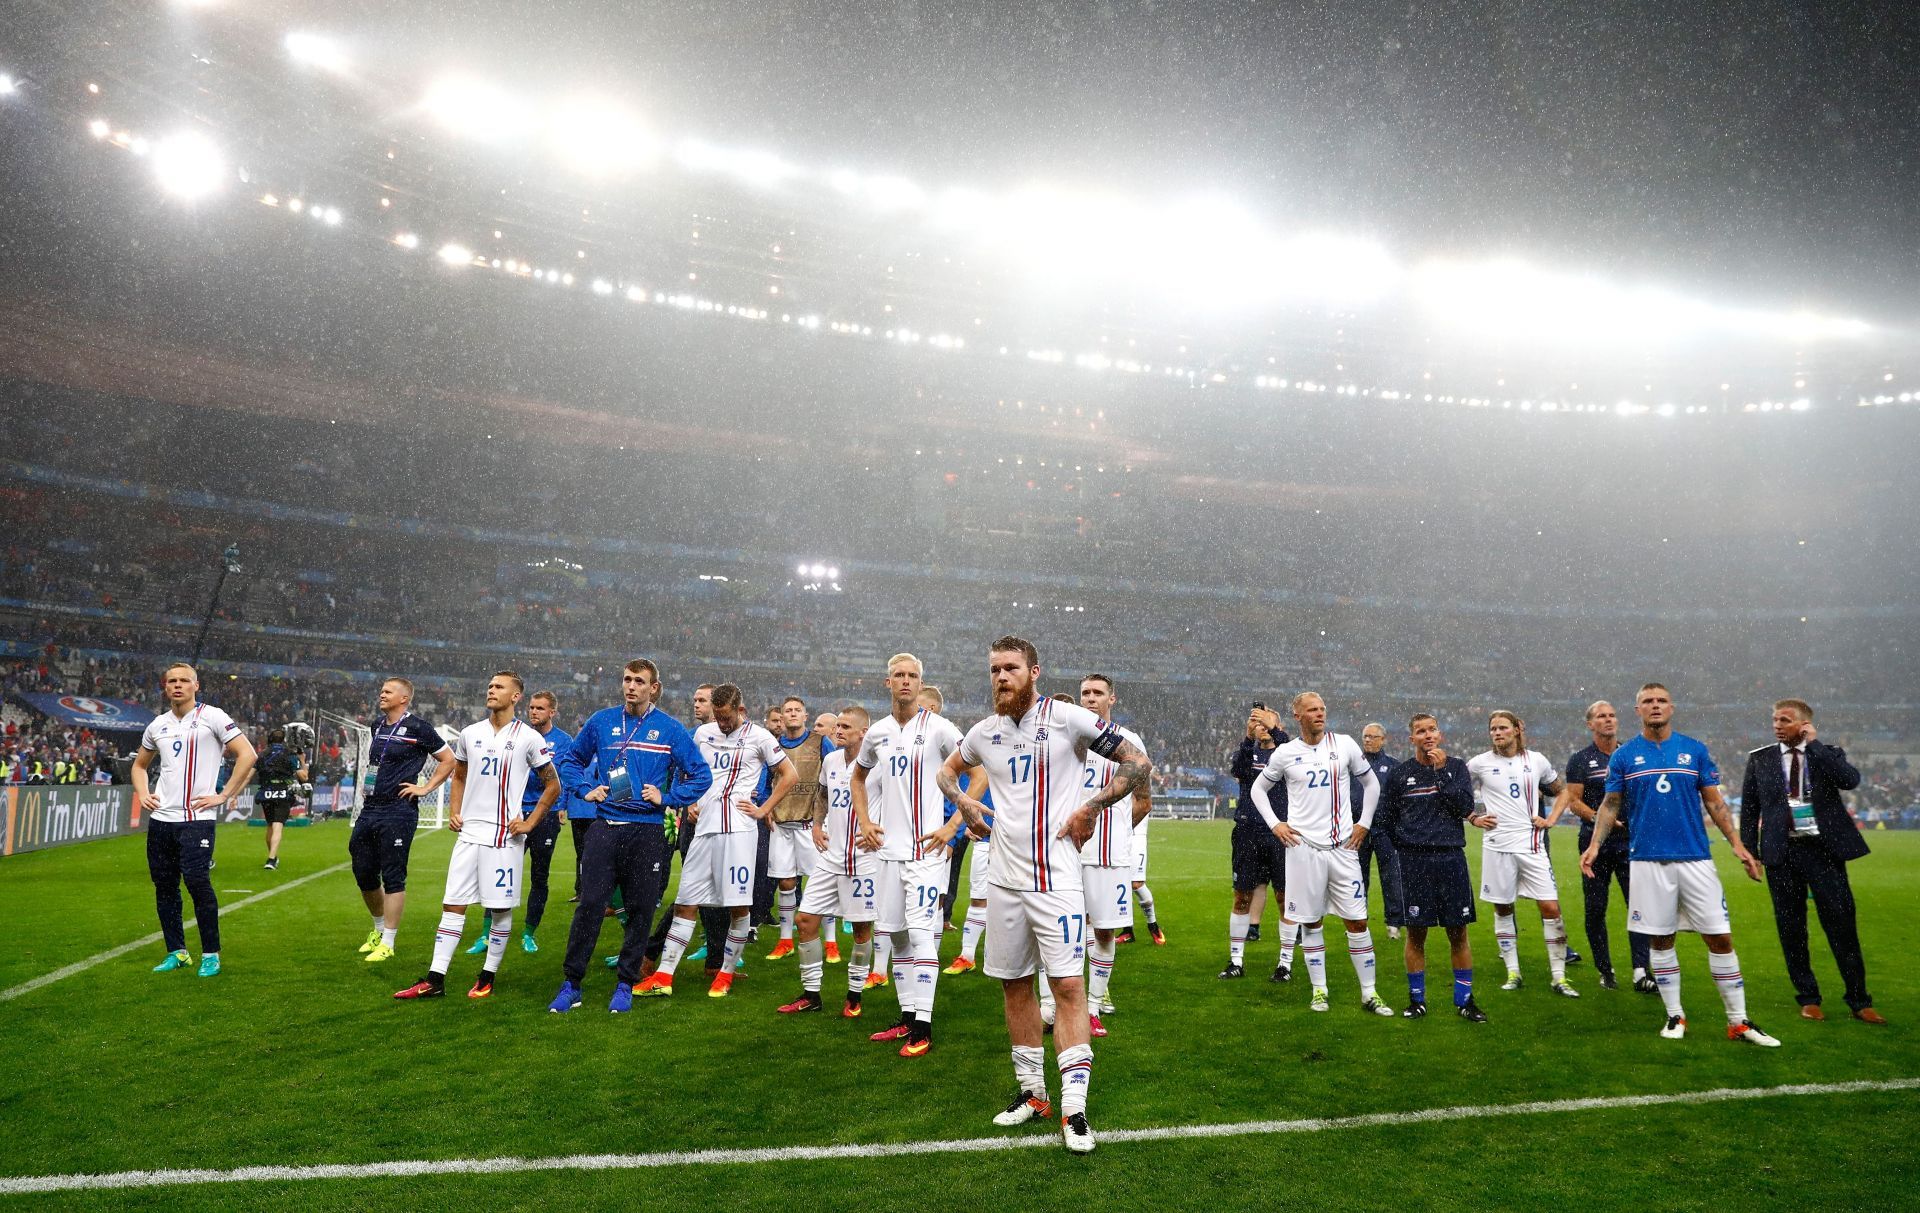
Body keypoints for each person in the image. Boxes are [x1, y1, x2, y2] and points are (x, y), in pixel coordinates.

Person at [939, 635, 1152, 1155]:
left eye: (1010, 668)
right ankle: (1032, 1094)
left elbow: (1137, 762)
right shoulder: (983, 733)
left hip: (1056, 879)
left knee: (1067, 989)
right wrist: (965, 801)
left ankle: (1074, 1109)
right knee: (1014, 987)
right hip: (1004, 882)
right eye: (994, 669)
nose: (1001, 677)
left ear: (1035, 672)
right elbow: (947, 773)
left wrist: (1091, 807)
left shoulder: (1067, 719)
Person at [1580, 683, 1779, 1046]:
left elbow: (1715, 804)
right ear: (1637, 710)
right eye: (1647, 702)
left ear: (1671, 707)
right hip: (1646, 860)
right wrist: (1595, 845)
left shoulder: (1694, 750)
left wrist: (1738, 845)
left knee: (1720, 937)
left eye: (1660, 701)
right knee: (1661, 937)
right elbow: (1610, 805)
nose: (1654, 706)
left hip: (1696, 859)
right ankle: (1675, 1015)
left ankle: (1738, 1021)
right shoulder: (1624, 757)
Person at [549, 659, 712, 1014]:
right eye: (627, 679)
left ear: (654, 687)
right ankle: (571, 984)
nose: (631, 686)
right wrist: (586, 789)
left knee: (640, 910)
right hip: (605, 828)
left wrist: (669, 798)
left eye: (639, 681)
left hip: (649, 832)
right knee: (591, 905)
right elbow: (571, 762)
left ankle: (626, 982)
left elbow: (701, 775)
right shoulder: (602, 721)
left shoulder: (669, 729)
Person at [394, 671, 560, 1001]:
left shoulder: (529, 738)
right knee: (452, 905)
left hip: (504, 839)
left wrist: (529, 824)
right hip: (470, 834)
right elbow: (459, 775)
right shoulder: (470, 734)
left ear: (516, 697)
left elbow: (553, 785)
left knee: (499, 910)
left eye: (499, 687)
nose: (491, 690)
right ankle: (435, 979)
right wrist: (455, 810)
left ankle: (487, 977)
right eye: (490, 686)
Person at [639, 683, 795, 998]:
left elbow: (789, 774)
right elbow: (688, 772)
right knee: (685, 902)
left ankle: (725, 972)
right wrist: (689, 800)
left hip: (738, 831)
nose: (722, 724)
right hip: (704, 829)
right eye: (718, 717)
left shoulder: (761, 737)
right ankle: (664, 976)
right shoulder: (703, 734)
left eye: (727, 718)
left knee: (737, 907)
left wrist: (764, 808)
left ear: (741, 711)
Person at [1247, 691, 1391, 1016]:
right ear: (1297, 715)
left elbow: (1372, 785)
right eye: (1312, 710)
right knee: (1311, 923)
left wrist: (1364, 823)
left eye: (1322, 709)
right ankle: (1319, 991)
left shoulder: (1345, 745)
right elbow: (1258, 789)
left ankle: (1369, 993)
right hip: (1303, 850)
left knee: (1358, 922)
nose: (1319, 714)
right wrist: (1275, 824)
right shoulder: (1285, 753)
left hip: (1343, 848)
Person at [1739, 699, 1882, 1024]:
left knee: (1842, 925)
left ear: (1803, 725)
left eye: (1785, 720)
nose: (1777, 725)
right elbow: (1750, 809)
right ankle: (1808, 997)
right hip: (1782, 853)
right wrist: (1750, 851)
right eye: (1775, 720)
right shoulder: (1760, 759)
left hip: (1824, 852)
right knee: (1792, 929)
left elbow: (1850, 780)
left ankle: (1859, 999)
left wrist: (1813, 744)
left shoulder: (1826, 754)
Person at [851, 653, 965, 1057]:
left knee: (920, 935)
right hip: (888, 852)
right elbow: (859, 776)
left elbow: (979, 768)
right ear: (888, 683)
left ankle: (924, 1027)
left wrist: (955, 825)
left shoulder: (939, 729)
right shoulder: (878, 733)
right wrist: (865, 821)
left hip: (926, 852)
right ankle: (906, 1016)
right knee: (895, 935)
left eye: (912, 676)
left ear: (921, 683)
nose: (905, 681)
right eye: (898, 675)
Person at [131, 663, 257, 977]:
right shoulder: (157, 724)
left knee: (198, 884)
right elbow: (139, 766)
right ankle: (177, 951)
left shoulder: (213, 716)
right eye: (171, 680)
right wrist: (143, 793)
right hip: (162, 820)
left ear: (195, 686)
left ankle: (211, 954)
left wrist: (224, 794)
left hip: (196, 818)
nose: (177, 685)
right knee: (164, 887)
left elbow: (248, 754)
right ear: (165, 686)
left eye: (184, 681)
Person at [1376, 714, 1486, 1021]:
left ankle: (1464, 1001)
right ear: (1411, 739)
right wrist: (1402, 848)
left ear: (1440, 735)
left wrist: (1441, 774)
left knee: (1458, 932)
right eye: (1420, 731)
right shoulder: (1400, 775)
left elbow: (1464, 806)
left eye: (1432, 730)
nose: (1427, 735)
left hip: (1451, 858)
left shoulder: (1456, 767)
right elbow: (1383, 821)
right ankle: (1417, 1000)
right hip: (1415, 862)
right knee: (1416, 934)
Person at [778, 705, 881, 1016]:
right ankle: (811, 994)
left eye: (846, 728)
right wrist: (818, 824)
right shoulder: (832, 760)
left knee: (862, 929)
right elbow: (822, 795)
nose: (838, 732)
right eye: (837, 727)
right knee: (805, 920)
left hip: (865, 858)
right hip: (831, 855)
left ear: (863, 732)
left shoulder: (879, 765)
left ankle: (854, 995)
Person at [1467, 711, 1577, 997]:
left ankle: (1559, 977)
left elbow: (1562, 792)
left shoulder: (1536, 760)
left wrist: (1551, 819)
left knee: (1551, 909)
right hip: (1497, 847)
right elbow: (1453, 790)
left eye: (1503, 727)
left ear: (1517, 730)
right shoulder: (1479, 763)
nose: (1497, 733)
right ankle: (1513, 971)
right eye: (1493, 729)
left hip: (1532, 846)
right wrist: (1473, 817)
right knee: (1503, 908)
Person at [350, 678, 456, 964]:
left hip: (399, 809)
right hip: (371, 807)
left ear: (404, 698)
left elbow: (448, 759)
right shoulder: (377, 726)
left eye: (387, 691)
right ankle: (378, 928)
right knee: (363, 870)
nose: (381, 694)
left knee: (393, 875)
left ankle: (389, 942)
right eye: (381, 690)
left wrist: (425, 788)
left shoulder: (419, 728)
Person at [1069, 673, 1152, 1034]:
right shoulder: (1066, 737)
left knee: (1103, 931)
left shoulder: (1131, 742)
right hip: (1068, 852)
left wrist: (1115, 829)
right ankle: (1055, 1006)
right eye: (1085, 693)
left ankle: (1093, 1006)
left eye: (1097, 693)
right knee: (1064, 931)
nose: (1090, 698)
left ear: (1111, 699)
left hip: (1111, 856)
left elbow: (1144, 801)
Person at [1552, 701, 1652, 992]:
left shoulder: (1633, 754)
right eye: (1601, 716)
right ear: (1590, 724)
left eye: (1611, 715)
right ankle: (1605, 970)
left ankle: (1640, 970)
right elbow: (1573, 800)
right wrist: (1600, 820)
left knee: (1639, 907)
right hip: (1594, 844)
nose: (1608, 720)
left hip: (1632, 843)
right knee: (1596, 908)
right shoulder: (1581, 759)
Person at [469, 690, 573, 954]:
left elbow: (564, 779)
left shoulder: (563, 741)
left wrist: (561, 807)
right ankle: (486, 934)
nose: (534, 712)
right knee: (497, 872)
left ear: (552, 712)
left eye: (540, 708)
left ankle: (529, 933)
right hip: (512, 815)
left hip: (544, 816)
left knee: (540, 875)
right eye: (532, 707)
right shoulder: (517, 736)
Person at [1223, 705, 1288, 978]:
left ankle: (1285, 964)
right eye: (1255, 721)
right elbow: (1237, 769)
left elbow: (1288, 750)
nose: (1260, 725)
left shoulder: (1287, 752)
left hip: (1281, 833)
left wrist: (1274, 728)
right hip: (1248, 831)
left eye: (1265, 721)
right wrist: (1248, 737)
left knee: (1285, 898)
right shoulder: (1249, 752)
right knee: (1242, 896)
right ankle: (1236, 962)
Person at [766, 695, 832, 960]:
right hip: (781, 823)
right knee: (785, 881)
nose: (792, 714)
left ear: (805, 716)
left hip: (810, 824)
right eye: (788, 711)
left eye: (797, 710)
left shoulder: (820, 742)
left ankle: (831, 941)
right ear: (781, 718)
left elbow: (833, 777)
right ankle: (785, 940)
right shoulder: (772, 745)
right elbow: (764, 778)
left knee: (820, 882)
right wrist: (765, 805)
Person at [1355, 723, 1405, 940]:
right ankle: (1359, 918)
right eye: (1365, 736)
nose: (1368, 740)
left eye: (1373, 737)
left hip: (1386, 830)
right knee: (1357, 877)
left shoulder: (1394, 766)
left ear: (1383, 739)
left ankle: (1394, 922)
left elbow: (1402, 800)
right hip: (1358, 830)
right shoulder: (1353, 764)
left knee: (1391, 877)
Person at [253, 726, 308, 871]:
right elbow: (304, 777)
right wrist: (303, 761)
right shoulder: (289, 754)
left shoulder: (263, 754)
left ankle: (272, 855)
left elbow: (250, 773)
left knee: (270, 825)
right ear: (284, 740)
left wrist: (234, 794)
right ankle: (271, 859)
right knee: (278, 825)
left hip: (266, 792)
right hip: (283, 792)